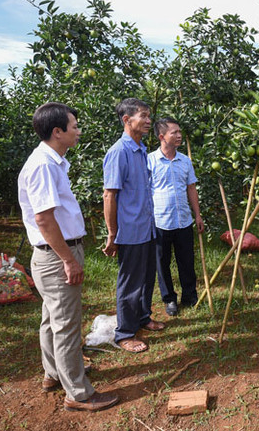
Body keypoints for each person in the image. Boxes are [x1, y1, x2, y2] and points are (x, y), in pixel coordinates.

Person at [18, 102, 118, 412]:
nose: (78, 131)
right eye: (73, 126)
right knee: (66, 325)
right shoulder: (44, 166)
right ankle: (78, 393)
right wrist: (69, 260)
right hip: (55, 254)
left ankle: (54, 373)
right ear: (57, 131)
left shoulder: (52, 161)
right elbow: (45, 220)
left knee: (52, 319)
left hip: (52, 253)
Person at [102, 98, 165, 354]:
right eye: (144, 115)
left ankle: (142, 317)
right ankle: (125, 333)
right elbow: (110, 195)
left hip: (146, 227)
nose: (149, 120)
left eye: (149, 115)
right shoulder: (119, 152)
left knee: (147, 277)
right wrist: (112, 233)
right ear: (127, 119)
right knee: (130, 283)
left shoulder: (140, 150)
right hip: (130, 230)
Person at [147, 117, 204, 316]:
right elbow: (145, 192)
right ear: (162, 136)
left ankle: (189, 295)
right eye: (174, 132)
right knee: (162, 263)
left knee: (187, 260)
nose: (179, 135)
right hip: (160, 221)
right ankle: (169, 298)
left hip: (183, 219)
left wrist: (197, 215)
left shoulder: (185, 161)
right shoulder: (150, 161)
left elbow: (191, 188)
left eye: (180, 132)